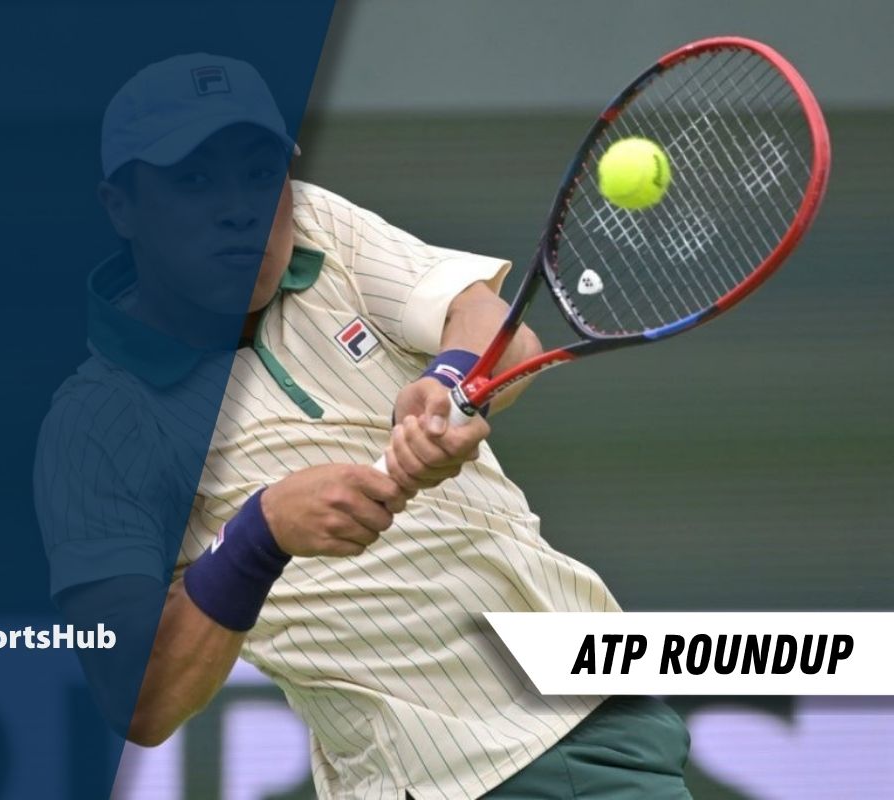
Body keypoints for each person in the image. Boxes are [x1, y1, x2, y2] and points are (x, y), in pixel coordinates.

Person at [34, 53, 692, 799]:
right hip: (461, 773)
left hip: (594, 710)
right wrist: (260, 533)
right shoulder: (93, 429)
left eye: (262, 173)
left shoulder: (321, 225)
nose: (241, 207)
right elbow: (139, 700)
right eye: (194, 180)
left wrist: (451, 385)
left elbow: (496, 328)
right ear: (120, 207)